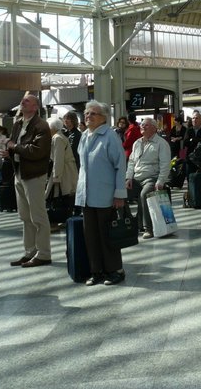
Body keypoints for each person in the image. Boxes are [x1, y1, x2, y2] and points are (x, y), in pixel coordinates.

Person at [76, 101, 128, 286]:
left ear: (103, 118)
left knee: (107, 234)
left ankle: (115, 270)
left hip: (105, 194)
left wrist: (119, 194)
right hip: (86, 194)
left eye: (93, 113)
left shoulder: (110, 136)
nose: (88, 116)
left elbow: (120, 165)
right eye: (86, 113)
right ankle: (96, 270)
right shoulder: (84, 135)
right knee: (90, 235)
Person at [2, 94, 53, 268]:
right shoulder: (18, 123)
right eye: (22, 100)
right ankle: (30, 251)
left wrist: (14, 147)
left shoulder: (41, 126)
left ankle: (44, 253)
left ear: (35, 107)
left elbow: (37, 151)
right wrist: (9, 152)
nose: (23, 102)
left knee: (38, 215)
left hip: (34, 175)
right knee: (25, 216)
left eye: (27, 101)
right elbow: (15, 146)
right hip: (20, 173)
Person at [125, 118, 171, 239]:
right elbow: (131, 162)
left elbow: (165, 164)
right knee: (119, 193)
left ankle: (148, 228)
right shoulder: (137, 143)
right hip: (136, 178)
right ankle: (130, 223)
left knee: (144, 194)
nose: (142, 127)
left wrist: (161, 181)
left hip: (151, 178)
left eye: (146, 125)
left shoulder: (161, 143)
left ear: (154, 128)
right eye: (142, 125)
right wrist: (128, 178)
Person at [46, 118, 79, 229]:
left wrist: (56, 177)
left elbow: (58, 159)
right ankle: (62, 220)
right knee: (64, 196)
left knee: (58, 196)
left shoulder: (57, 139)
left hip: (64, 172)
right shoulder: (59, 137)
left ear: (52, 127)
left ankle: (57, 221)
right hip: (66, 171)